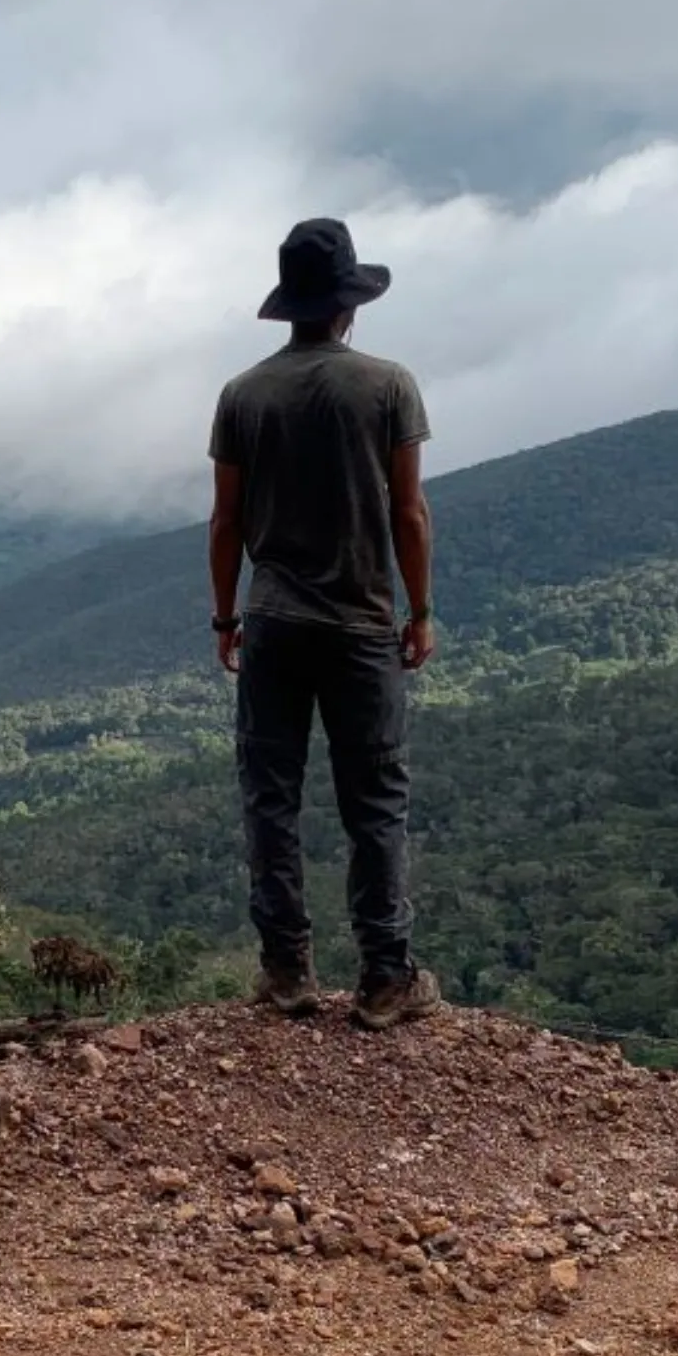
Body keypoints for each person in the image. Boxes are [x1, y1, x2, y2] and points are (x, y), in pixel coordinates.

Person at [207, 217, 442, 1031]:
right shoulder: (387, 386)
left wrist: (224, 618)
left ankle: (286, 972)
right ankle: (384, 978)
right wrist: (420, 612)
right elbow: (407, 512)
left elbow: (225, 522)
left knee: (270, 795)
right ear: (349, 305)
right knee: (374, 799)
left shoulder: (244, 394)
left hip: (272, 617)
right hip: (362, 621)